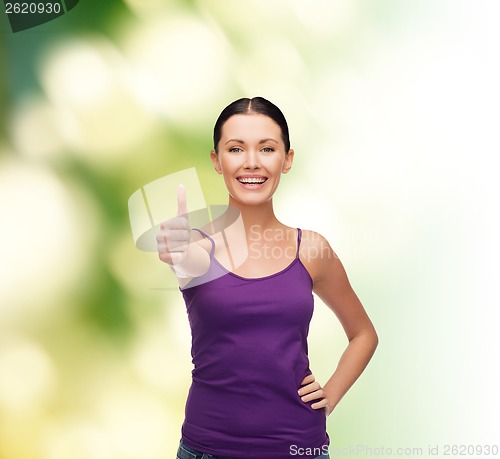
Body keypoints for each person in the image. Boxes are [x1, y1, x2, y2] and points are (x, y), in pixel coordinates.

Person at [156, 97, 379, 459]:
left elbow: (363, 334)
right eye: (235, 149)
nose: (251, 162)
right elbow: (187, 262)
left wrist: (332, 393)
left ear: (287, 159)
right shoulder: (194, 248)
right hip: (206, 449)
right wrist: (177, 254)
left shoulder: (312, 249)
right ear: (217, 160)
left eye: (267, 148)